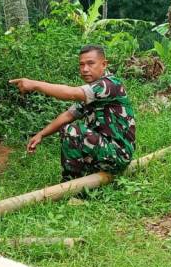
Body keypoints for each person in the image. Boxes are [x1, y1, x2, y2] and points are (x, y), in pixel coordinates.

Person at [11, 45, 136, 181]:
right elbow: (69, 115)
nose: (85, 69)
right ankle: (83, 177)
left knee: (72, 131)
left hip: (118, 155)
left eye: (90, 63)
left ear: (104, 64)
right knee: (70, 126)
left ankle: (74, 188)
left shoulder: (108, 85)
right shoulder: (92, 92)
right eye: (81, 65)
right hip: (104, 151)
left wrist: (34, 84)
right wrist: (41, 134)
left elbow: (70, 94)